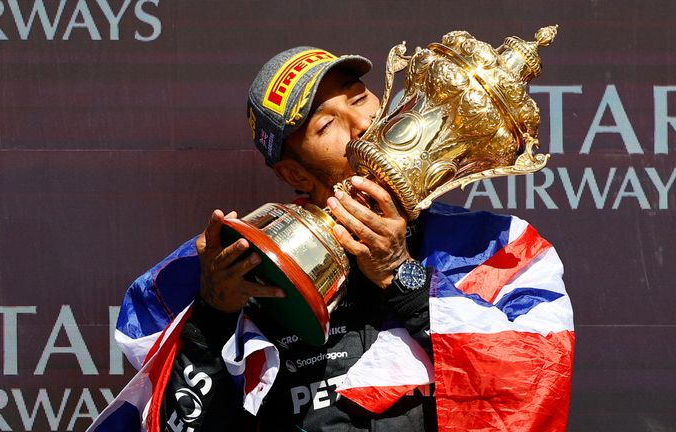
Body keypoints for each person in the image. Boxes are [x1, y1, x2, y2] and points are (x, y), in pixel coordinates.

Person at [92, 46, 575, 432]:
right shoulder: (231, 266)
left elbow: (531, 390)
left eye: (359, 97)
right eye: (326, 125)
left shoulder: (497, 247)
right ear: (294, 172)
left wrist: (399, 275)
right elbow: (176, 423)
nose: (364, 124)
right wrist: (213, 316)